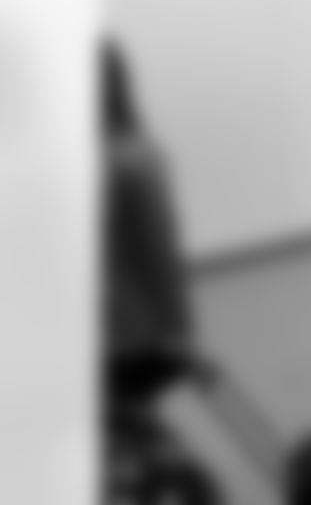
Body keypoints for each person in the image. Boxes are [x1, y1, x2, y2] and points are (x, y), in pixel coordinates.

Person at [103, 39, 217, 502]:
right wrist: (184, 337)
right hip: (133, 337)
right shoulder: (136, 156)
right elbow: (161, 256)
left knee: (117, 428)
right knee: (140, 432)